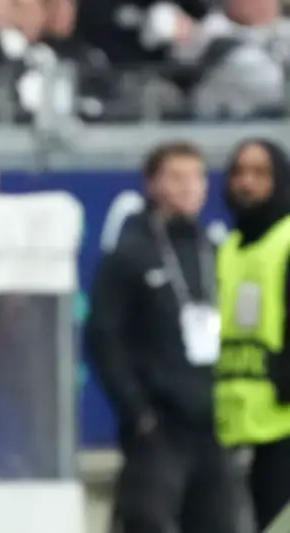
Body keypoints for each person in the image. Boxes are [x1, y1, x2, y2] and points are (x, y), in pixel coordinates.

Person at [85, 141, 237, 533]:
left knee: (219, 522)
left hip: (214, 422)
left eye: (197, 177)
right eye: (176, 177)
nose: (188, 186)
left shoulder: (218, 250)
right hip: (159, 424)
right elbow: (104, 336)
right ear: (152, 184)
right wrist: (137, 412)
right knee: (147, 519)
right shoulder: (129, 255)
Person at [215, 138, 290, 531]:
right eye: (240, 172)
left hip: (283, 424)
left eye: (260, 173)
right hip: (234, 421)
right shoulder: (227, 248)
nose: (247, 183)